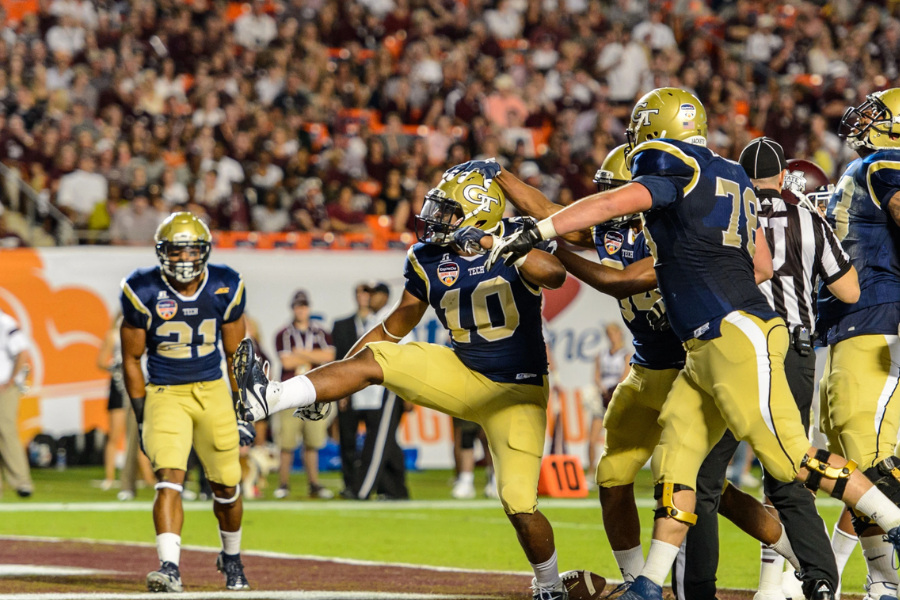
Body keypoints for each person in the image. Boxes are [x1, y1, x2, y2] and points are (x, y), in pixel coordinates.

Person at [485, 87, 900, 600]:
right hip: (708, 345)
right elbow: (763, 265)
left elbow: (620, 200)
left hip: (735, 333)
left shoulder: (673, 162)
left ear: (659, 128)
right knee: (676, 465)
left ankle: (894, 520)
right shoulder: (730, 177)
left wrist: (543, 229)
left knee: (792, 460)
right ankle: (649, 585)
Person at [234, 169, 603, 600]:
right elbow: (392, 328)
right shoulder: (427, 257)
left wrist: (490, 243)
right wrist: (328, 381)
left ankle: (548, 586)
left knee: (519, 503)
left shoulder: (511, 237)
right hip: (462, 373)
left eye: (448, 212)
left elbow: (554, 273)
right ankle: (270, 396)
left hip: (518, 390)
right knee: (379, 358)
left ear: (480, 218)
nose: (434, 219)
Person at [495, 148, 803, 588]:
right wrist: (499, 175)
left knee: (702, 488)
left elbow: (619, 281)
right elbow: (551, 212)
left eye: (613, 190)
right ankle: (635, 580)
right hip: (644, 368)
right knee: (614, 474)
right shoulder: (610, 231)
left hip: (690, 370)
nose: (606, 198)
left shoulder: (673, 233)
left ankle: (795, 551)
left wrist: (551, 252)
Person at [673, 137, 858, 600]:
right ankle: (820, 577)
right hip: (794, 351)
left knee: (705, 479)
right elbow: (849, 290)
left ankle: (699, 589)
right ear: (783, 177)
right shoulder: (809, 218)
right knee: (789, 467)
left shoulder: (732, 214)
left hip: (741, 347)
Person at [120, 212, 254, 592]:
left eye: (191, 251)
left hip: (212, 390)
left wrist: (243, 406)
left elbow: (236, 354)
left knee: (227, 486)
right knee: (169, 478)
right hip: (165, 391)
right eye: (175, 252)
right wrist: (143, 415)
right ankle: (169, 567)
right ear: (162, 253)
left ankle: (231, 557)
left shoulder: (225, 285)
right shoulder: (141, 289)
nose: (183, 260)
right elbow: (130, 358)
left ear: (205, 251)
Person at [817, 89, 900, 600]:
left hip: (877, 322)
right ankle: (883, 581)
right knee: (853, 464)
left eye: (879, 114)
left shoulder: (885, 162)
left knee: (868, 465)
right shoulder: (869, 165)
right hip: (852, 324)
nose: (865, 121)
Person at [273, 290, 335, 500]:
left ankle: (314, 484)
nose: (301, 310)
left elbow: (329, 356)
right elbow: (286, 362)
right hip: (290, 391)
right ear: (293, 309)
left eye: (304, 306)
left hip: (314, 391)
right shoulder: (284, 333)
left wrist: (299, 354)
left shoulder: (320, 332)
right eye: (298, 307)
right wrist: (311, 356)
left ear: (308, 308)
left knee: (313, 442)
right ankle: (283, 484)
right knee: (287, 443)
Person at [330, 283, 372, 496]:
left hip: (375, 391)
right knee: (347, 440)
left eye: (368, 293)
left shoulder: (381, 323)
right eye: (361, 293)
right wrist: (341, 390)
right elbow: (338, 360)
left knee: (374, 441)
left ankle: (371, 482)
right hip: (350, 390)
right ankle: (349, 485)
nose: (364, 297)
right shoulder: (341, 325)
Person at [590, 323, 631, 478]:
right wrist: (602, 391)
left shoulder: (626, 354)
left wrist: (612, 392)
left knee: (618, 438)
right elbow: (596, 376)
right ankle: (591, 473)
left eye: (614, 333)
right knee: (592, 438)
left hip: (617, 399)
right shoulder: (601, 354)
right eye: (609, 334)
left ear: (620, 333)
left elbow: (624, 376)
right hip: (602, 399)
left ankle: (620, 472)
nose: (612, 337)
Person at [0, 308, 33, 498]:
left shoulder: (5, 322)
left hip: (4, 387)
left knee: (6, 429)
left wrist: (12, 380)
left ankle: (21, 481)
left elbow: (23, 351)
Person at [97, 313, 127, 491]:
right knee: (115, 433)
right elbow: (101, 361)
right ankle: (109, 477)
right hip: (119, 384)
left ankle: (146, 476)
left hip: (139, 383)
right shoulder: (113, 335)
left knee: (141, 435)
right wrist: (114, 367)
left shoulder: (143, 331)